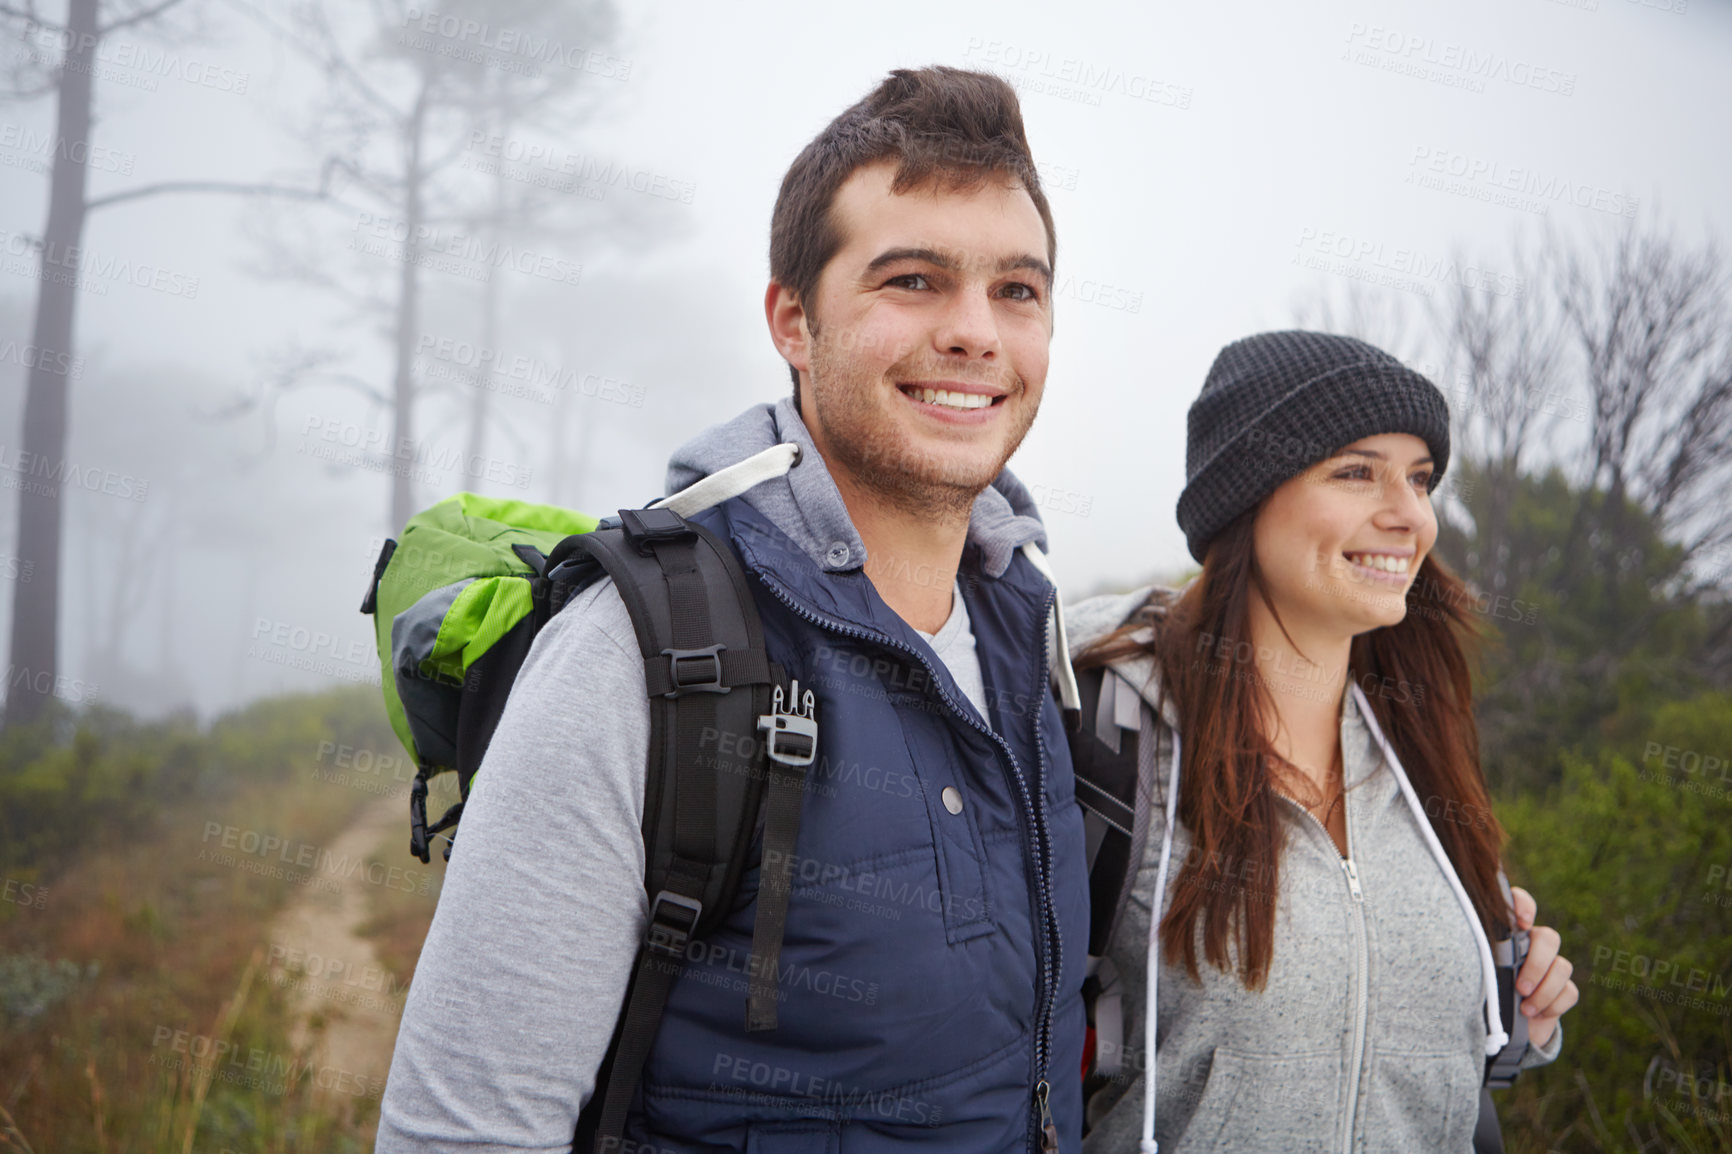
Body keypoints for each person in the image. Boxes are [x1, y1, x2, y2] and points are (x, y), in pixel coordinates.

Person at [375, 66, 1091, 1152]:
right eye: (912, 280)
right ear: (793, 321)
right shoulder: (640, 653)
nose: (975, 333)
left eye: (1017, 290)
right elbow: (462, 1128)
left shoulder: (1028, 629)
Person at [1065, 331, 1578, 1153]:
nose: (1408, 514)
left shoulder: (1420, 737)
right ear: (1245, 500)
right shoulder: (1108, 740)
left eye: (1419, 479)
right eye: (1355, 472)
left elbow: (1450, 1062)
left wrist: (1517, 1006)